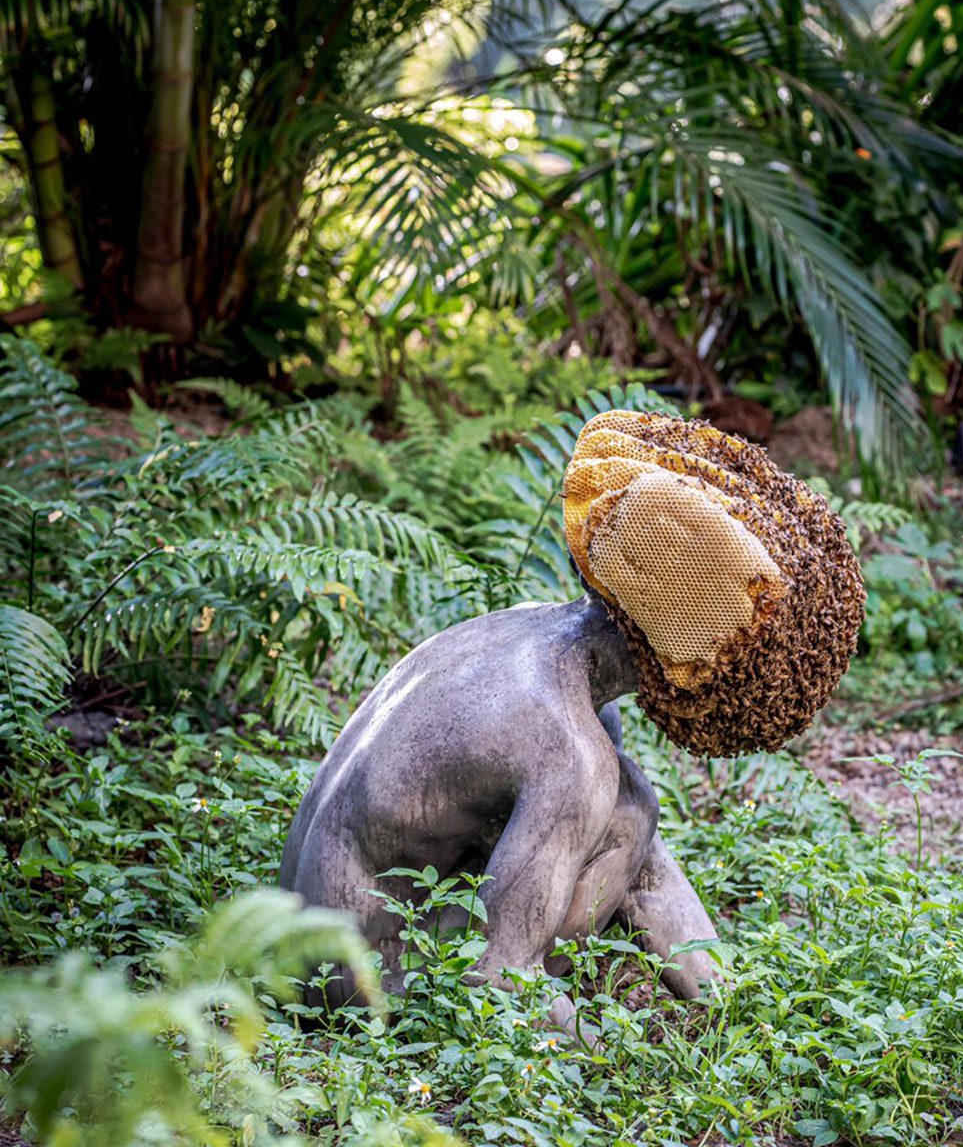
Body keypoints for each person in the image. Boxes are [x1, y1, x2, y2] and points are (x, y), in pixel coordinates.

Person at [280, 408, 865, 1036]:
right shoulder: (566, 747)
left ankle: (729, 1002)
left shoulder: (532, 630)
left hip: (290, 929)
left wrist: (742, 1011)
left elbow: (650, 862)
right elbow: (500, 979)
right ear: (693, 652)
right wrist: (608, 1062)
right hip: (356, 979)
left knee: (628, 801)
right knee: (622, 813)